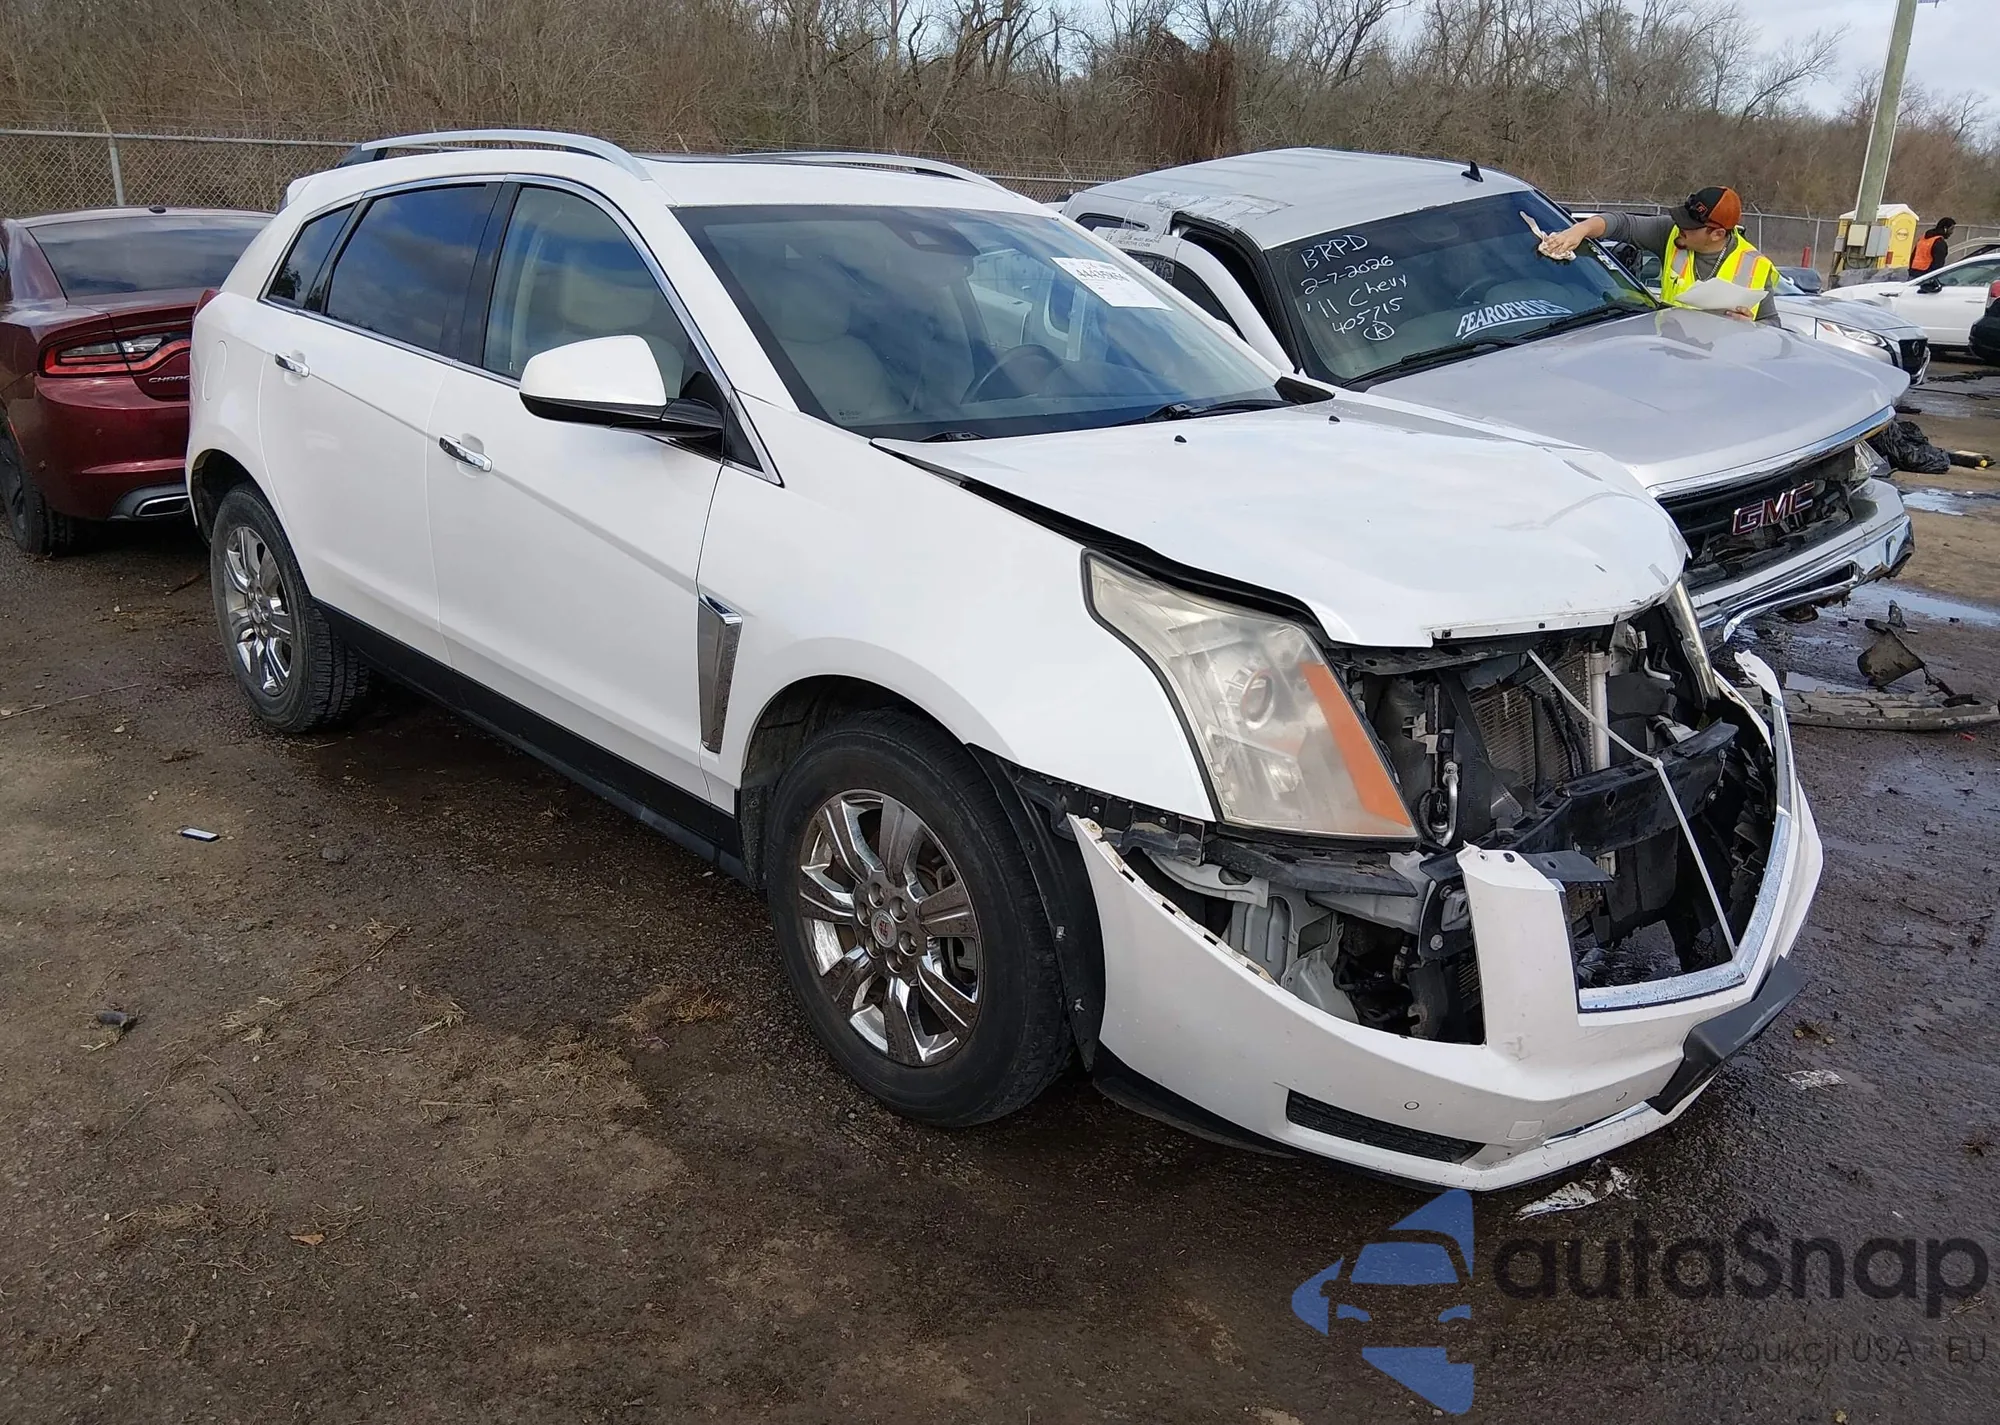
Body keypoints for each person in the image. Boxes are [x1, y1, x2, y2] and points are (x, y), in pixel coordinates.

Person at [1538, 186, 1779, 322]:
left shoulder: (1755, 267)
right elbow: (1622, 224)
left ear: (1716, 234)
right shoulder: (1670, 232)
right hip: (1668, 355)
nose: (1680, 227)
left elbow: (1773, 328)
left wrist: (1751, 326)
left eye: (1689, 226)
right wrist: (1580, 230)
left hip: (1719, 369)